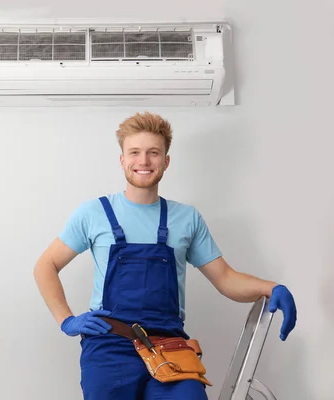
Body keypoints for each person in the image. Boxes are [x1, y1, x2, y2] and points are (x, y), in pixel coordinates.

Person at [32, 112, 297, 400]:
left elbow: (225, 278)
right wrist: (66, 319)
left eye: (153, 153)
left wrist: (271, 287)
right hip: (110, 347)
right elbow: (46, 265)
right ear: (122, 160)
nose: (143, 161)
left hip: (170, 347)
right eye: (134, 153)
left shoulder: (186, 219)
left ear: (166, 161)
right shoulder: (94, 214)